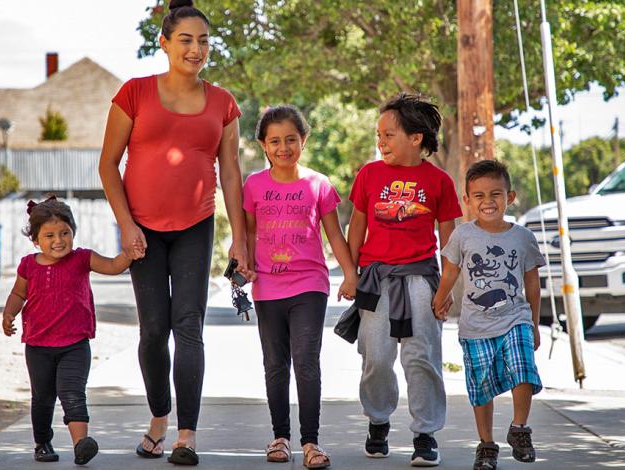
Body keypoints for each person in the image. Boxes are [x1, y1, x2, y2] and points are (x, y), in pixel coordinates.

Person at [97, 0, 250, 465]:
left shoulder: (223, 103)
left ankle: (186, 435)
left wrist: (239, 239)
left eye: (203, 40)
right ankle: (159, 418)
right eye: (185, 39)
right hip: (142, 230)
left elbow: (232, 173)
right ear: (164, 44)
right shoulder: (134, 94)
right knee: (152, 332)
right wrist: (126, 225)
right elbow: (108, 165)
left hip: (195, 227)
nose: (196, 48)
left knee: (189, 326)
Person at [346, 93, 462, 467]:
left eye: (389, 135)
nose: (381, 142)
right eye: (378, 135)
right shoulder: (369, 174)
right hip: (376, 281)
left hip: (420, 280)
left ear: (416, 138)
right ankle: (378, 421)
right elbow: (356, 227)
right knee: (376, 357)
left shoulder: (439, 181)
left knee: (421, 357)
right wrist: (351, 274)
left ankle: (425, 433)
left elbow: (450, 243)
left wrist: (446, 291)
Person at [242, 105, 357, 469]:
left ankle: (311, 443)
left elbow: (334, 235)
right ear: (263, 145)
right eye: (274, 141)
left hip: (309, 285)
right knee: (275, 364)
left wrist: (350, 274)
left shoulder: (318, 184)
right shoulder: (254, 185)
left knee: (306, 362)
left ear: (303, 141)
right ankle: (280, 437)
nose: (283, 147)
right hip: (266, 286)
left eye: (291, 139)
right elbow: (246, 233)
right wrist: (240, 265)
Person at [1, 196, 133, 466]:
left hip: (75, 344)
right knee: (43, 397)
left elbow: (112, 266)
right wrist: (9, 313)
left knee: (73, 392)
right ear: (36, 240)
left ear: (73, 232)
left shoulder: (82, 258)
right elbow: (18, 293)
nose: (58, 240)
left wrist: (129, 254)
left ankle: (81, 444)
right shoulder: (28, 264)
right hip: (38, 346)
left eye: (65, 233)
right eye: (49, 235)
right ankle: (42, 442)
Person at [433, 159, 545, 470]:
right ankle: (486, 445)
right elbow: (450, 273)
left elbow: (532, 283)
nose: (488, 202)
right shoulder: (462, 235)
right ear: (467, 201)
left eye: (496, 194)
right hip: (475, 325)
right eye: (479, 196)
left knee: (524, 368)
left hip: (515, 318)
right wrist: (439, 300)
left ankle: (520, 428)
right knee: (480, 386)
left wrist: (534, 324)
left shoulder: (522, 237)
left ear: (510, 197)